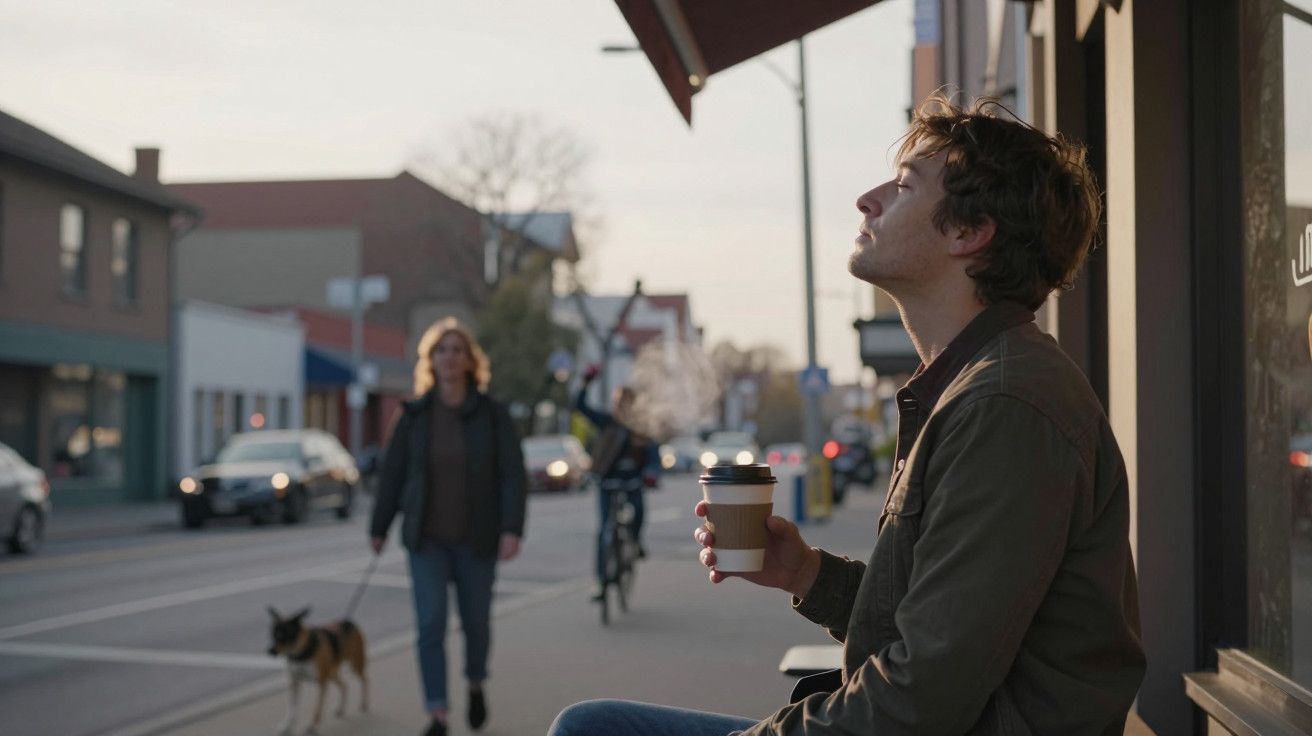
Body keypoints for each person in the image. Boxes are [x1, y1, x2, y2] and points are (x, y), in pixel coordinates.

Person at [549, 96, 1146, 735]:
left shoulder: (1003, 406)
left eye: (905, 185)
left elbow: (919, 700)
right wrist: (805, 573)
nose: (868, 198)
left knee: (593, 729)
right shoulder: (975, 387)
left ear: (968, 233)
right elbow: (936, 628)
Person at [370, 317, 527, 736]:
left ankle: (475, 683)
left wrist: (512, 528)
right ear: (431, 360)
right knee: (429, 625)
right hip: (427, 541)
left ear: (470, 360)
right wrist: (379, 526)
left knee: (476, 623)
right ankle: (437, 712)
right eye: (442, 349)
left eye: (458, 349)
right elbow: (393, 475)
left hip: (478, 540)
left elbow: (513, 474)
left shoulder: (493, 415)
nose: (450, 357)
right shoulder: (414, 415)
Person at [575, 366, 659, 597]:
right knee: (604, 531)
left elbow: (653, 455)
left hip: (632, 482)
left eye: (628, 403)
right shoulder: (607, 422)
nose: (624, 407)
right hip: (608, 482)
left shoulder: (641, 428)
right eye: (620, 402)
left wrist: (651, 473)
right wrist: (586, 383)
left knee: (639, 510)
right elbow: (580, 407)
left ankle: (636, 540)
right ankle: (602, 583)